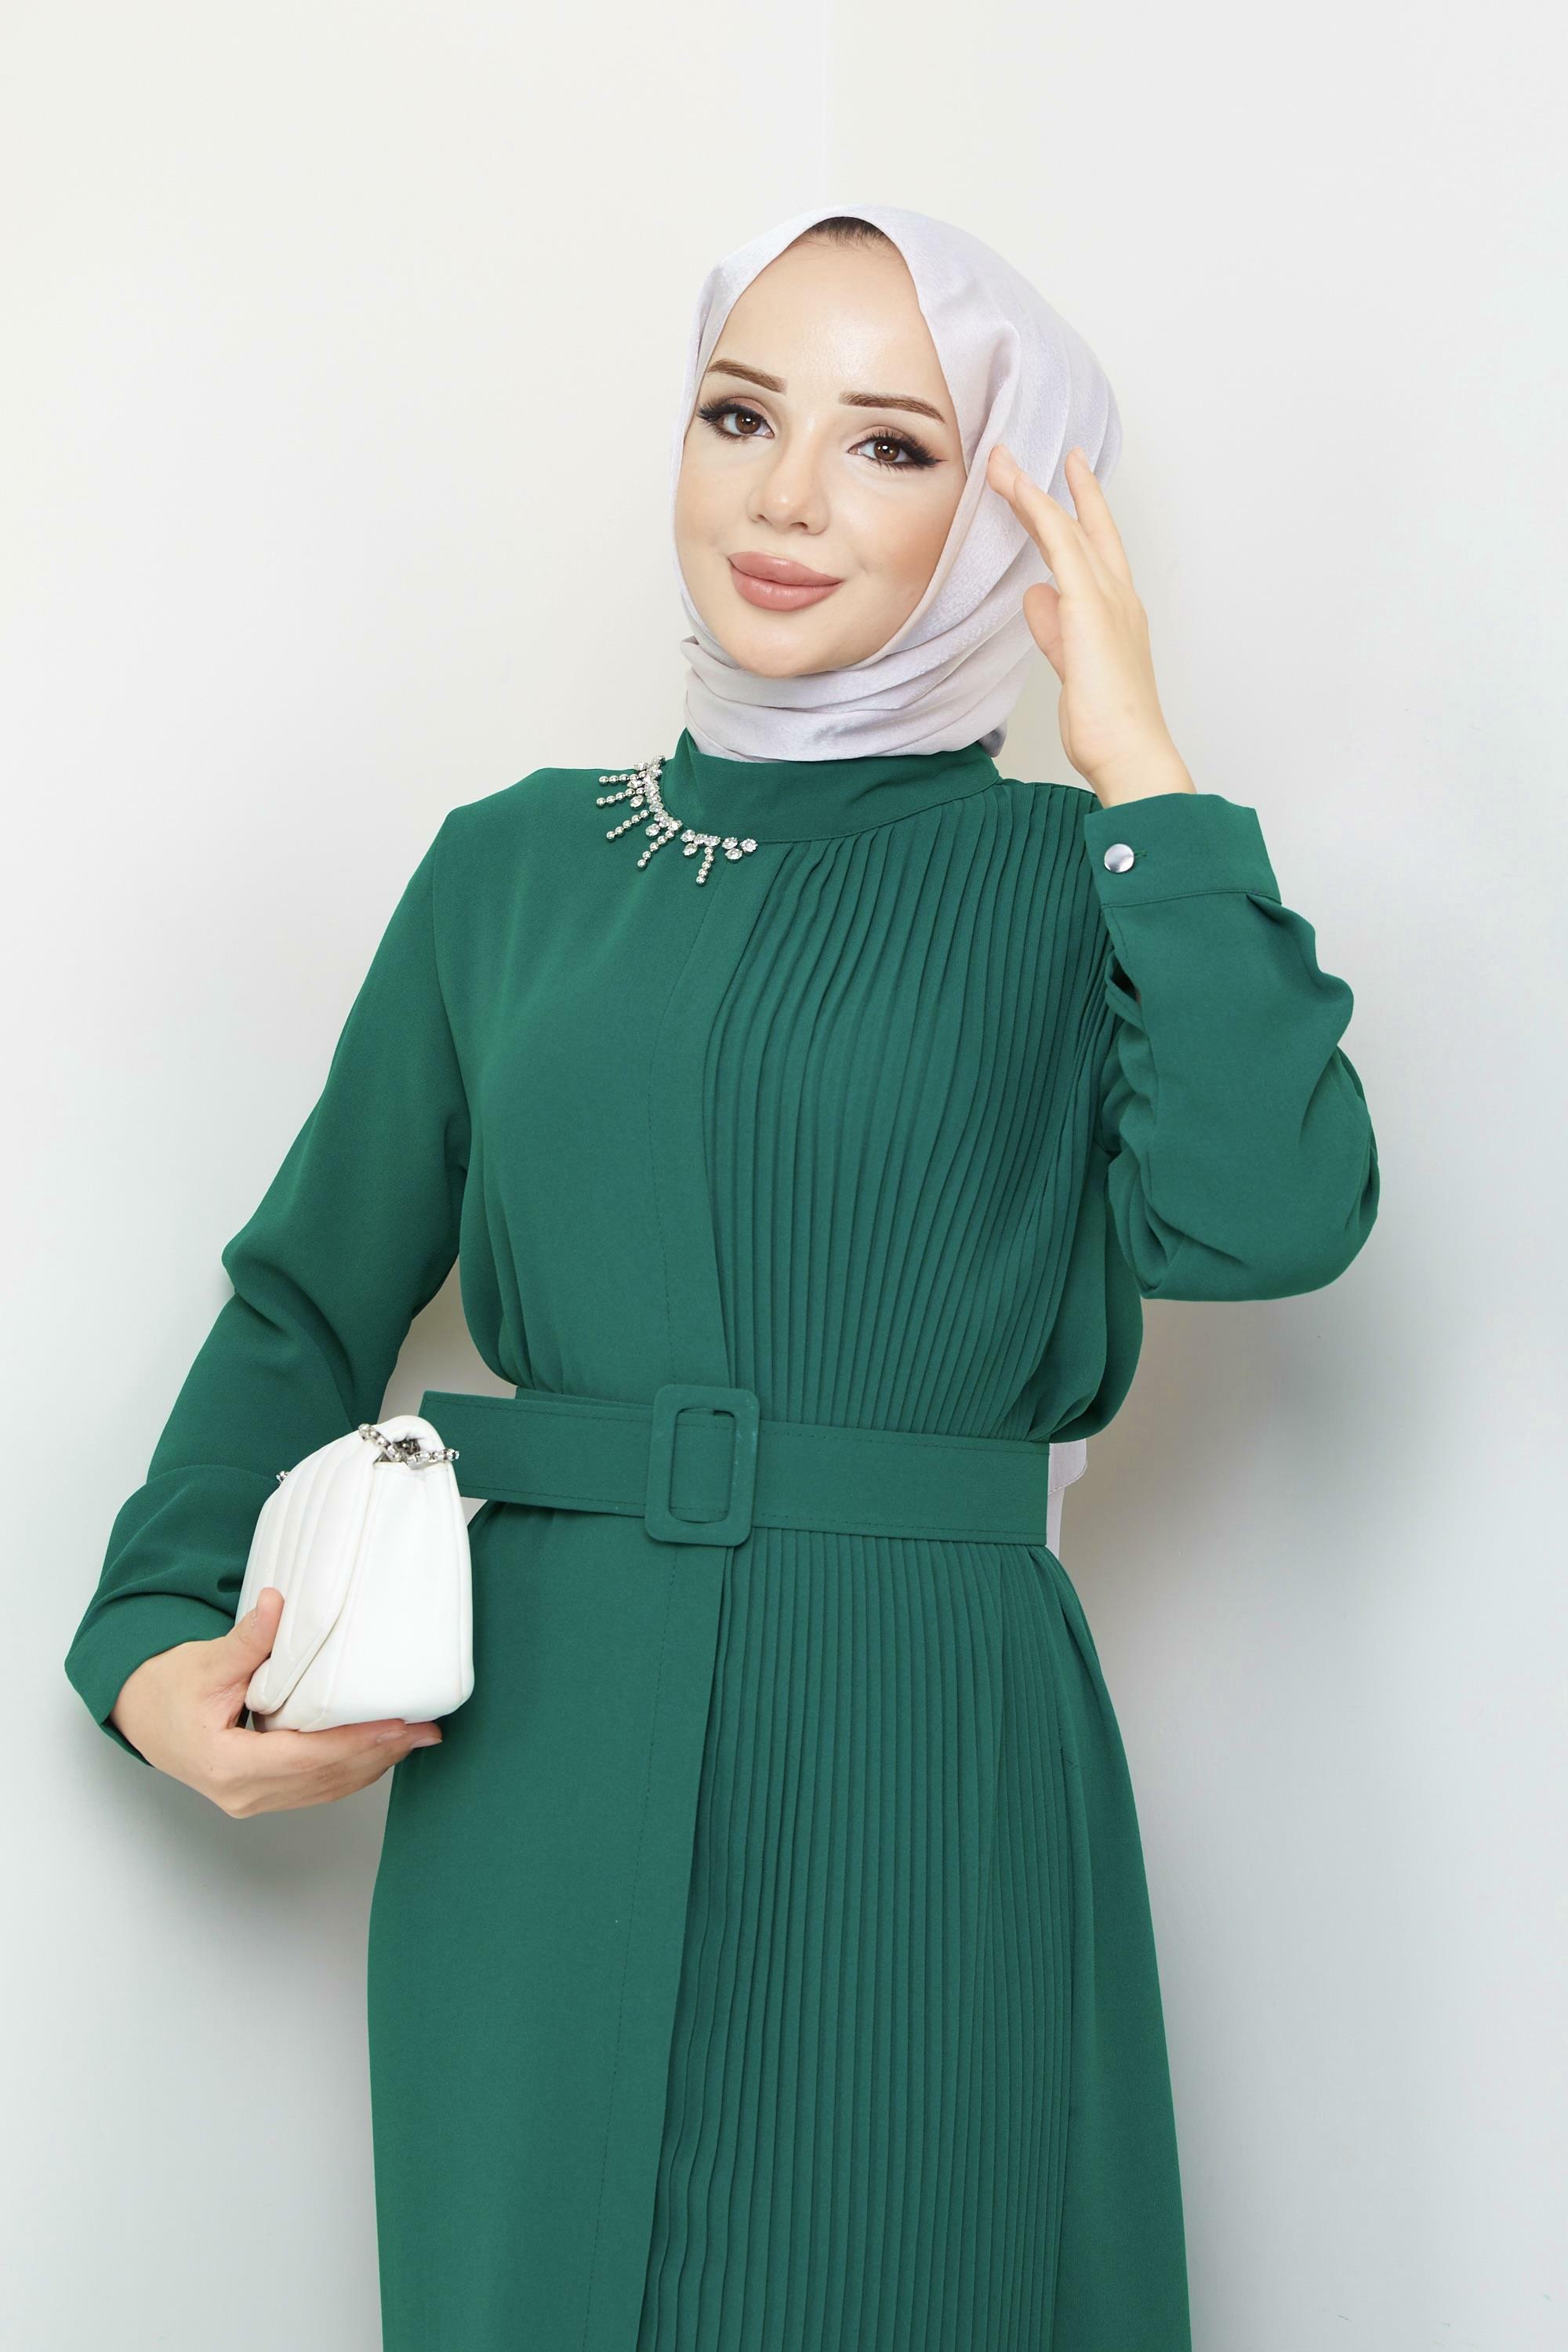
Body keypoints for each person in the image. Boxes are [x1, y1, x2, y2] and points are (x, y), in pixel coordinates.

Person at [64, 201, 1380, 2351]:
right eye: (740, 415)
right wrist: (147, 1640)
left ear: (1014, 513)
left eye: (893, 445)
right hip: (538, 1763)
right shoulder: (511, 867)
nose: (784, 499)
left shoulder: (1083, 884)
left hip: (917, 1747)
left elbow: (1275, 1213)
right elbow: (308, 1295)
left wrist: (1139, 757)